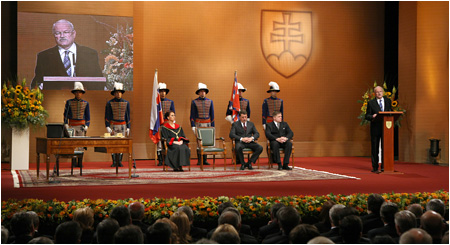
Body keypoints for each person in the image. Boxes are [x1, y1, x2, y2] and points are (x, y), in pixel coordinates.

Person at [31, 19, 103, 89]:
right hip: (56, 99)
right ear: (54, 35)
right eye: (58, 33)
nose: (62, 36)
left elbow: (99, 82)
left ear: (73, 34)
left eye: (66, 32)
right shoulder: (44, 56)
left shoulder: (90, 54)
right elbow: (37, 83)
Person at [364, 86, 392, 173]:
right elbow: (367, 116)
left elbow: (391, 111)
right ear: (374, 94)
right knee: (375, 148)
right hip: (375, 128)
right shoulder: (371, 103)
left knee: (385, 147)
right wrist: (372, 116)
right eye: (377, 92)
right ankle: (375, 167)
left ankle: (384, 166)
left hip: (386, 128)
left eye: (380, 91)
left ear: (383, 92)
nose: (379, 93)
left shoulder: (388, 101)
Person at [63, 82, 90, 167]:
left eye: (80, 92)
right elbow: (65, 115)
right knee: (73, 145)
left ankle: (80, 162)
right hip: (72, 126)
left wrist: (87, 125)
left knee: (81, 144)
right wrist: (66, 124)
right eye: (77, 92)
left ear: (82, 93)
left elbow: (88, 116)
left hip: (81, 127)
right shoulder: (69, 102)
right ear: (74, 93)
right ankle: (73, 162)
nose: (78, 94)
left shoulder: (86, 103)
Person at [105, 82, 131, 167]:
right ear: (114, 93)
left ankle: (119, 161)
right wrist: (107, 126)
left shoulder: (126, 103)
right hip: (113, 125)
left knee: (121, 143)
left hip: (123, 125)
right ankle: (114, 161)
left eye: (120, 92)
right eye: (116, 92)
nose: (118, 94)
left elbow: (128, 115)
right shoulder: (109, 103)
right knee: (113, 143)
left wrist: (128, 127)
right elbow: (107, 115)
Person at [190, 83, 215, 166]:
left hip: (208, 124)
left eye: (204, 91)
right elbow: (192, 115)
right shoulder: (194, 102)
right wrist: (193, 125)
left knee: (206, 143)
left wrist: (213, 126)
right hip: (198, 124)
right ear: (198, 92)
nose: (203, 93)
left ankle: (205, 160)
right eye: (201, 91)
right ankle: (199, 160)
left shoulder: (210, 101)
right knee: (199, 143)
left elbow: (212, 115)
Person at [157, 83, 175, 166]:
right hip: (159, 125)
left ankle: (168, 159)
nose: (163, 93)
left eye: (164, 91)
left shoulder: (170, 102)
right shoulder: (156, 103)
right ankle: (160, 160)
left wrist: (173, 122)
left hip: (168, 125)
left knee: (169, 141)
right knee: (159, 143)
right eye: (161, 91)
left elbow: (173, 113)